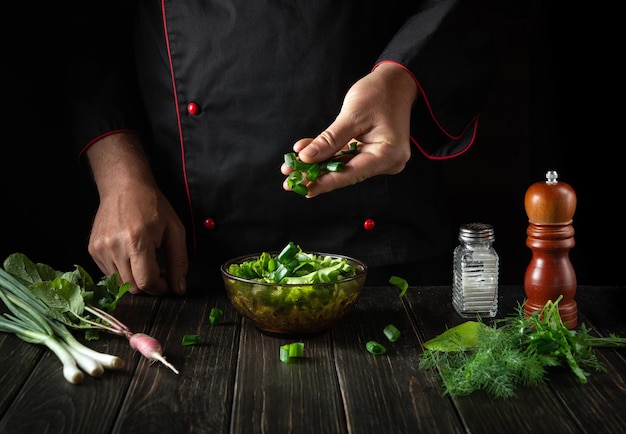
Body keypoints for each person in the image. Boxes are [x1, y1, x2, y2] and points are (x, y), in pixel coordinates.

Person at [68, 0, 497, 296]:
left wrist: (401, 78)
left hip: (382, 242)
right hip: (185, 249)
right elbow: (87, 30)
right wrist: (119, 176)